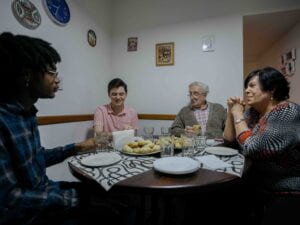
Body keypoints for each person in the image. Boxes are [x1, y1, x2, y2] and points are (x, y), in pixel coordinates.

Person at [0, 32, 122, 225]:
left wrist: (80, 146)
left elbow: (37, 158)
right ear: (27, 75)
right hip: (30, 215)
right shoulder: (4, 121)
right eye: (51, 72)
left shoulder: (26, 114)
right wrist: (76, 200)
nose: (57, 79)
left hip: (45, 191)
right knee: (110, 210)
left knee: (113, 193)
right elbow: (9, 199)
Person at [223, 67, 300, 224]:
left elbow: (254, 149)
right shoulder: (254, 113)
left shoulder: (288, 112)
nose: (246, 91)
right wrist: (231, 111)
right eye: (246, 87)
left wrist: (238, 114)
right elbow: (229, 139)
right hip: (256, 182)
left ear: (272, 89)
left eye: (252, 86)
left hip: (285, 188)